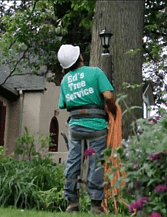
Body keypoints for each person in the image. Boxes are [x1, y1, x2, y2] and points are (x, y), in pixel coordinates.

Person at [57, 44, 117, 214]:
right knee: (96, 163)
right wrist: (111, 110)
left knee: (73, 161)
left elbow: (63, 104)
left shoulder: (65, 80)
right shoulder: (96, 72)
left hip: (75, 127)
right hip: (97, 127)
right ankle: (96, 205)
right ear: (80, 57)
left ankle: (72, 202)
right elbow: (108, 96)